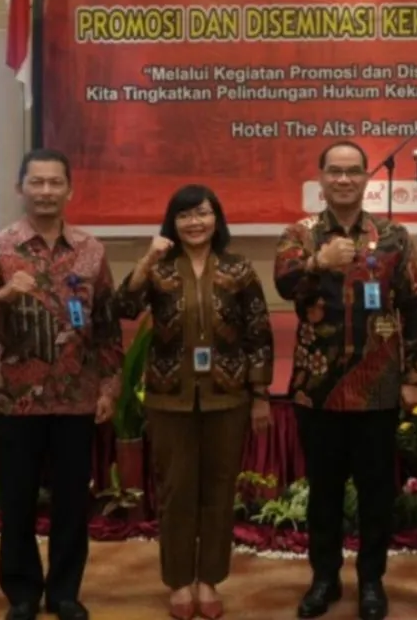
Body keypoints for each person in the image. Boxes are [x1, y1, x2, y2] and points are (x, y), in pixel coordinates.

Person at [0, 149, 124, 620]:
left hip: (76, 398)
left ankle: (64, 592)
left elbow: (107, 325)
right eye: (36, 182)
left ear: (69, 189)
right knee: (17, 500)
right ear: (20, 187)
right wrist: (3, 293)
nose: (46, 191)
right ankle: (21, 593)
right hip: (17, 399)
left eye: (55, 183)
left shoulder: (91, 250)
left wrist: (110, 387)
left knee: (72, 503)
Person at [273, 140, 417, 620]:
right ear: (321, 178)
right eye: (335, 171)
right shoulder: (300, 234)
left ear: (366, 178)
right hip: (317, 388)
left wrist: (415, 376)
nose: (344, 179)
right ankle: (324, 578)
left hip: (377, 388)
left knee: (377, 492)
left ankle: (371, 581)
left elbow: (415, 307)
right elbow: (283, 284)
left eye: (353, 171)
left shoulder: (393, 237)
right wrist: (318, 262)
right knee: (324, 491)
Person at [116, 184, 275, 620]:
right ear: (173, 222)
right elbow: (123, 306)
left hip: (229, 397)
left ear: (216, 219)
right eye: (185, 215)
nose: (194, 222)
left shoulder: (239, 268)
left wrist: (260, 395)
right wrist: (146, 261)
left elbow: (258, 333)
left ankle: (209, 579)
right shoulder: (161, 269)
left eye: (203, 213)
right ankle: (179, 581)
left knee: (219, 491)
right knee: (176, 491)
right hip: (170, 399)